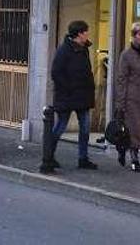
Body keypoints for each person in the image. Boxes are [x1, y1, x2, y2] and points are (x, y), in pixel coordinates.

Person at [49, 20, 98, 170]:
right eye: (86, 32)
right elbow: (56, 72)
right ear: (79, 34)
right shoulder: (64, 50)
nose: (87, 34)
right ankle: (48, 155)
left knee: (85, 128)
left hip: (82, 95)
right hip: (68, 95)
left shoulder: (84, 49)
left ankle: (83, 158)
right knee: (60, 126)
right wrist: (68, 88)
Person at [115, 22, 140, 172]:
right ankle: (134, 158)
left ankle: (123, 149)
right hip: (131, 96)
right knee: (133, 129)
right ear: (134, 36)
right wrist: (120, 102)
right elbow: (121, 79)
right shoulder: (127, 55)